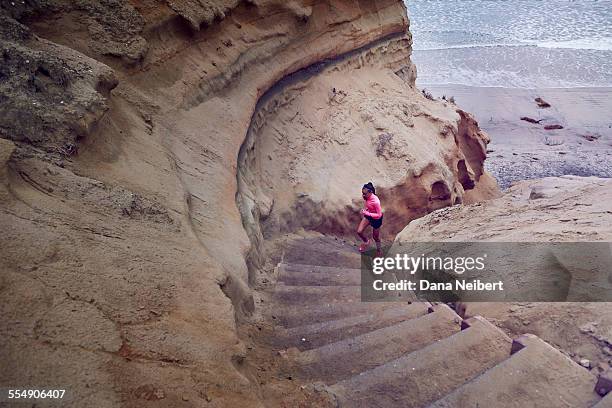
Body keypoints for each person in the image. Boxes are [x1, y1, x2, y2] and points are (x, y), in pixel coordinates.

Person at [357, 182, 383, 256]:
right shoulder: (367, 197)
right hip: (369, 215)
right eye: (362, 193)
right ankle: (366, 241)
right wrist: (366, 209)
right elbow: (369, 205)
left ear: (370, 192)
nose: (363, 195)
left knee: (376, 237)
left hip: (376, 219)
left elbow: (379, 214)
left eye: (364, 194)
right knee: (359, 231)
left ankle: (379, 251)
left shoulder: (376, 201)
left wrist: (367, 213)